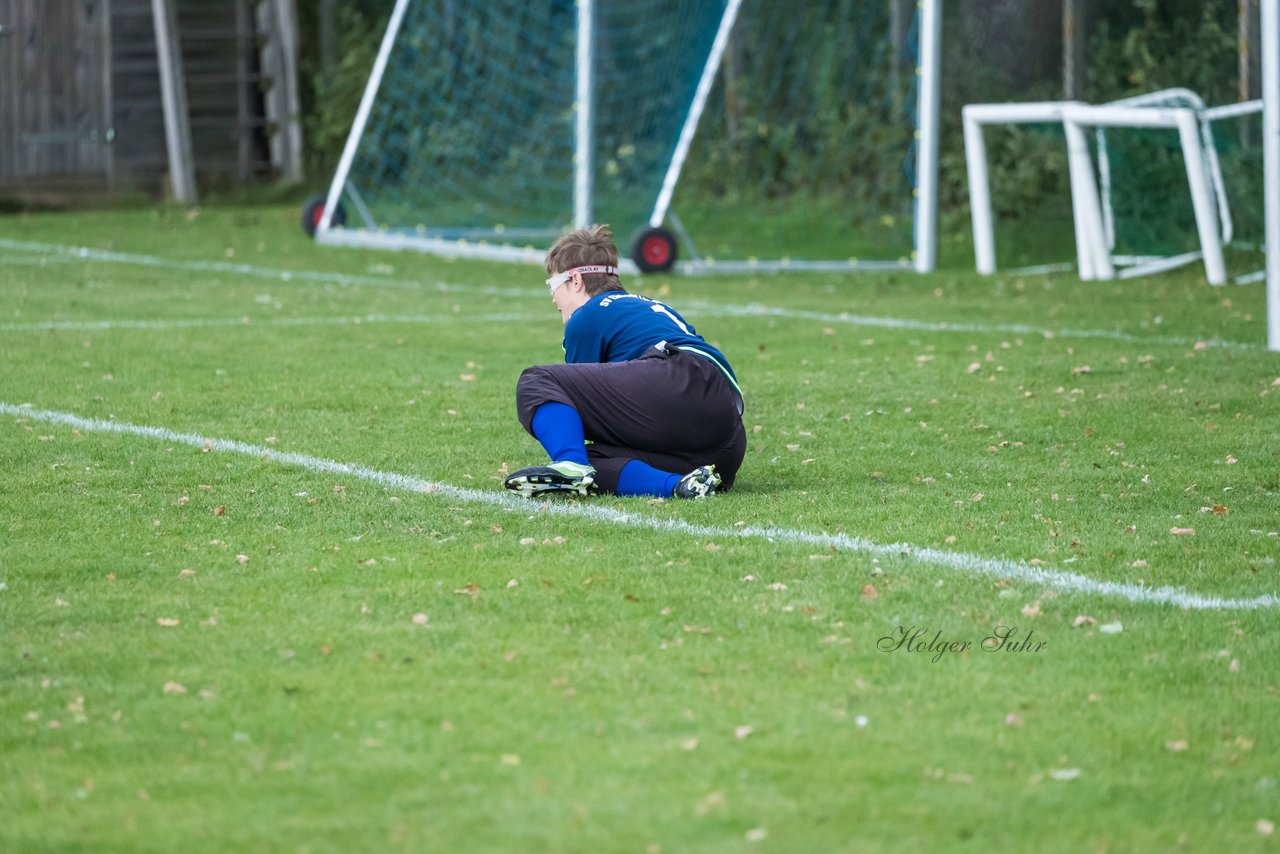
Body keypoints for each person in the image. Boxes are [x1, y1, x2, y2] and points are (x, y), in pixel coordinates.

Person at [505, 225, 746, 499]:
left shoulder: (587, 315)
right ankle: (681, 485)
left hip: (673, 378)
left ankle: (571, 466)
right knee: (594, 462)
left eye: (553, 284)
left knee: (537, 381)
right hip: (724, 441)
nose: (552, 296)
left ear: (575, 280)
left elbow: (573, 402)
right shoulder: (648, 306)